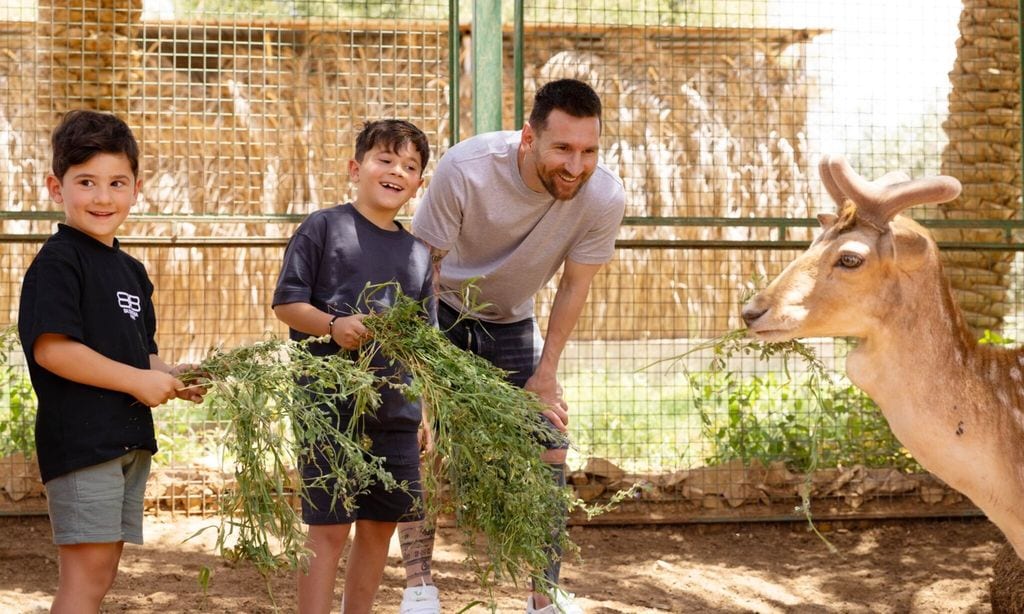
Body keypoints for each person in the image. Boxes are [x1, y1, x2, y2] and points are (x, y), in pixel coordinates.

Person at [399, 78, 626, 614]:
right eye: (563, 149)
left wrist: (545, 375)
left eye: (589, 150)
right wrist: (423, 376)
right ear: (529, 138)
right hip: (443, 311)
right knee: (421, 442)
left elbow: (574, 288)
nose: (576, 165)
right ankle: (419, 586)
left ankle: (542, 597)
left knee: (550, 436)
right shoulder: (466, 168)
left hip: (512, 321)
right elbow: (420, 273)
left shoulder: (604, 196)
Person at [17, 109, 207, 614]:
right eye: (86, 182)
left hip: (124, 439)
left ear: (136, 188)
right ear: (56, 188)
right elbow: (52, 349)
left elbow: (139, 352)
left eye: (116, 182)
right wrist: (137, 381)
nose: (103, 197)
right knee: (84, 578)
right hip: (82, 441)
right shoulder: (59, 262)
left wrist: (173, 377)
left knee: (101, 574)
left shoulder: (131, 270)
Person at [271, 119, 434, 614]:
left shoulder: (418, 254)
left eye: (409, 166)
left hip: (396, 411)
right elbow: (287, 304)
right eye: (384, 159)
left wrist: (423, 409)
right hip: (329, 405)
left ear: (419, 184)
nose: (395, 171)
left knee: (381, 525)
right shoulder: (324, 227)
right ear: (355, 167)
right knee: (329, 528)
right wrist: (332, 325)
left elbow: (421, 346)